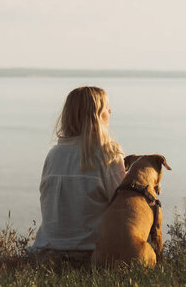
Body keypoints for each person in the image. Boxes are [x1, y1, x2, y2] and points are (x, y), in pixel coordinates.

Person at [30, 86, 126, 260]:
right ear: (96, 116)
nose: (111, 111)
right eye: (106, 108)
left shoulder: (53, 155)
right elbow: (124, 208)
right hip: (90, 253)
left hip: (45, 252)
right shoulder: (108, 155)